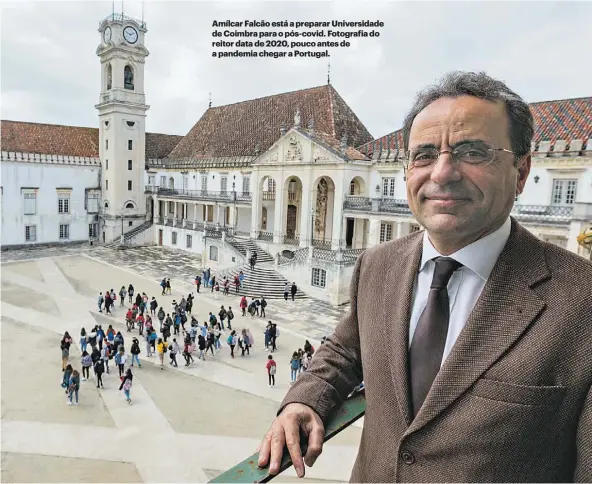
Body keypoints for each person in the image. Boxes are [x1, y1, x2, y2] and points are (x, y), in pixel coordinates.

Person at [257, 71, 592, 482]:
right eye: (425, 154)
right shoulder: (377, 265)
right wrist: (304, 401)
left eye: (472, 152)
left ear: (521, 171)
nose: (442, 173)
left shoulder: (581, 302)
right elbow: (346, 351)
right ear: (407, 170)